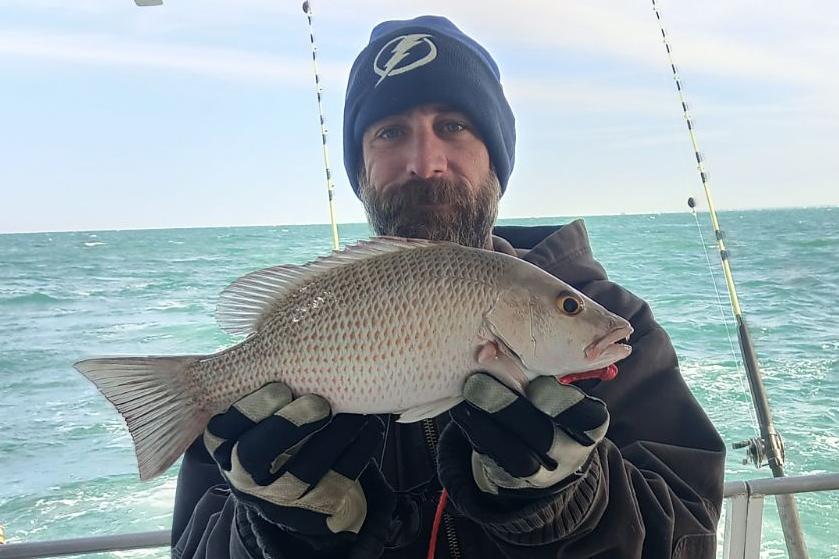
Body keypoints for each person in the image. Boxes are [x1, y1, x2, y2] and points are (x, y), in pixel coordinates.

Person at [171, 15, 725, 559]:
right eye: (390, 132)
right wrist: (276, 533)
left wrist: (574, 504)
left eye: (454, 126)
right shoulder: (268, 364)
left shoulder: (619, 327)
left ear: (497, 157)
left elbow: (689, 536)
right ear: (360, 170)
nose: (424, 161)